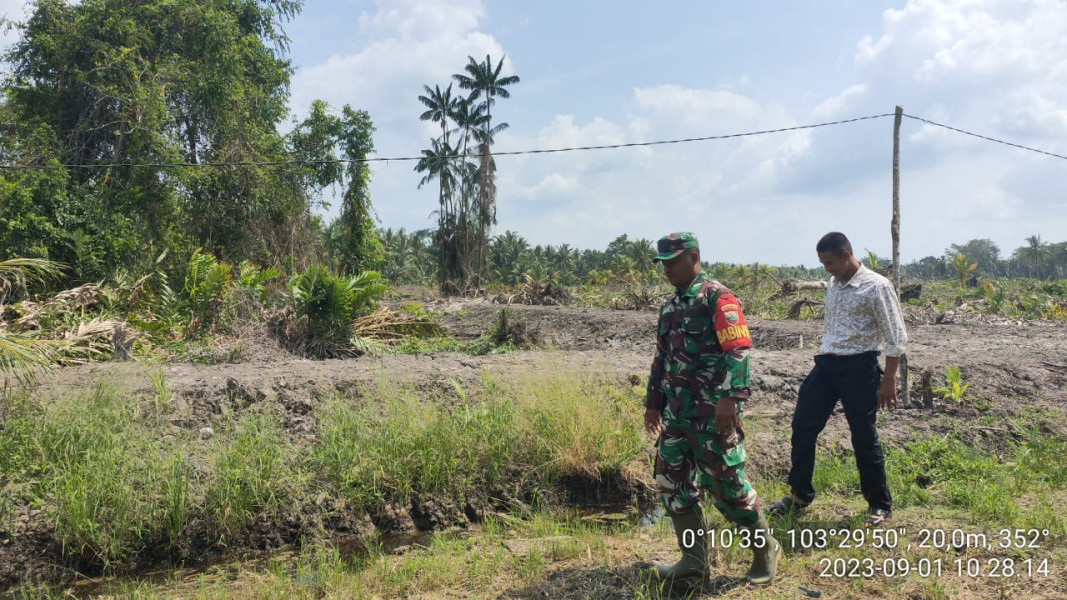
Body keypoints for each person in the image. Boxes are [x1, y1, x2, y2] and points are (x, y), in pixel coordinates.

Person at [643, 232, 780, 587]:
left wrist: (730, 399)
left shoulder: (718, 298)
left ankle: (766, 549)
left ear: (694, 256)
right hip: (676, 414)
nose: (667, 269)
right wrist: (653, 402)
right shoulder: (670, 305)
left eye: (673, 261)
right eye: (663, 264)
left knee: (727, 486)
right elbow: (662, 358)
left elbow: (738, 350)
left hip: (712, 414)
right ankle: (693, 562)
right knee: (672, 484)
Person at [767, 231, 907, 527]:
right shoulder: (834, 284)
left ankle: (879, 504)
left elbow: (896, 337)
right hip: (827, 364)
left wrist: (889, 380)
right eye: (822, 263)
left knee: (863, 435)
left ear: (846, 255)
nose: (826, 268)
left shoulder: (877, 287)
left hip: (860, 366)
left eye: (829, 262)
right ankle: (800, 494)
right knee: (803, 425)